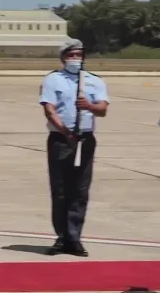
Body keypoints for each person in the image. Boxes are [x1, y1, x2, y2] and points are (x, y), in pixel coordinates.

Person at [39, 39, 110, 257]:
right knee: (60, 190)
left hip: (85, 139)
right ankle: (61, 237)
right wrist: (66, 132)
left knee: (80, 190)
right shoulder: (53, 79)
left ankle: (74, 238)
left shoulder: (93, 81)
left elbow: (103, 109)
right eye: (71, 55)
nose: (75, 59)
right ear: (63, 57)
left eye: (79, 54)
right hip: (61, 139)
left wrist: (89, 106)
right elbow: (49, 109)